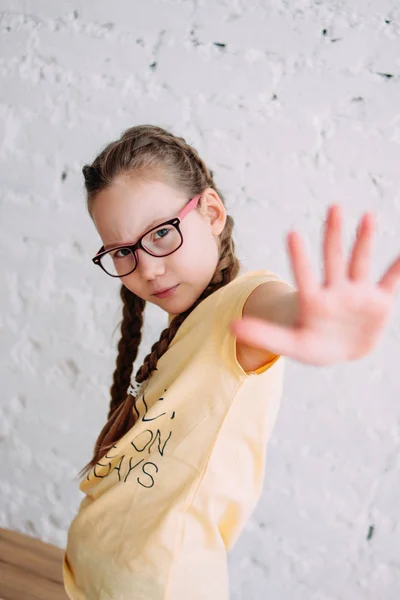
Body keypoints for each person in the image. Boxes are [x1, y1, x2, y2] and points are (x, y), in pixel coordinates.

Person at [62, 124, 400, 600]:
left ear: (212, 212)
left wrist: (311, 319)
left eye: (161, 233)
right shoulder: (189, 321)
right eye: (123, 252)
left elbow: (278, 307)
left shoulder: (243, 304)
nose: (148, 268)